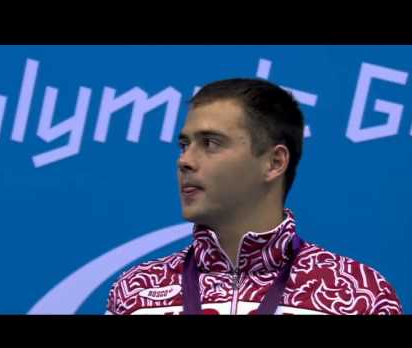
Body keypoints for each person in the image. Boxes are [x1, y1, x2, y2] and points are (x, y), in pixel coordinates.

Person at [106, 78, 403, 315]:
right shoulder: (135, 293)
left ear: (274, 163)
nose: (184, 161)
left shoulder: (361, 294)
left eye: (210, 143)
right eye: (184, 145)